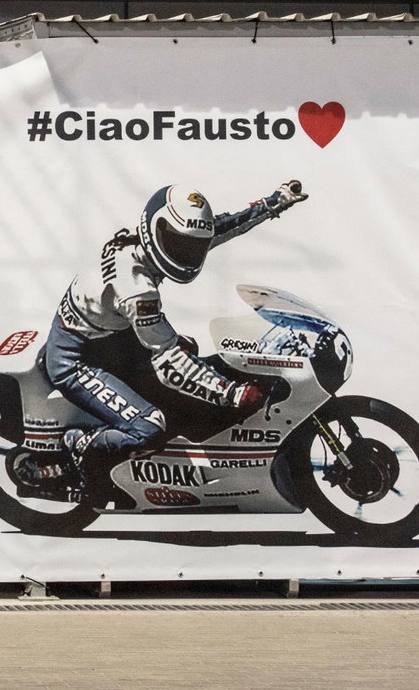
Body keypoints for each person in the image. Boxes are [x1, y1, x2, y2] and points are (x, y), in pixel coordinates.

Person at [32, 181, 309, 504]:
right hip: (77, 357)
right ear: (154, 231)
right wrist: (231, 394)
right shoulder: (137, 289)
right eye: (178, 245)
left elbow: (217, 229)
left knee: (187, 360)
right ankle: (80, 443)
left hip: (113, 336)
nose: (186, 254)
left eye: (191, 247)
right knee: (150, 426)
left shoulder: (145, 241)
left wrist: (273, 203)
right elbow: (169, 359)